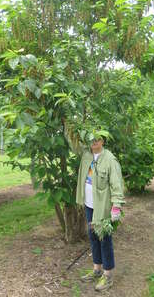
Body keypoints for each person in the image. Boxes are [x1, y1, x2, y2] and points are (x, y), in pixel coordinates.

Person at [64, 122, 125, 292]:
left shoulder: (110, 160)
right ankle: (97, 270)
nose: (94, 143)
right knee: (92, 237)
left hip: (103, 207)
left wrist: (116, 206)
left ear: (103, 141)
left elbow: (116, 184)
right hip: (89, 205)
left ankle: (108, 275)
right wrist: (67, 125)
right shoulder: (86, 155)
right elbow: (73, 143)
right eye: (91, 140)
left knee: (104, 239)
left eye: (97, 140)